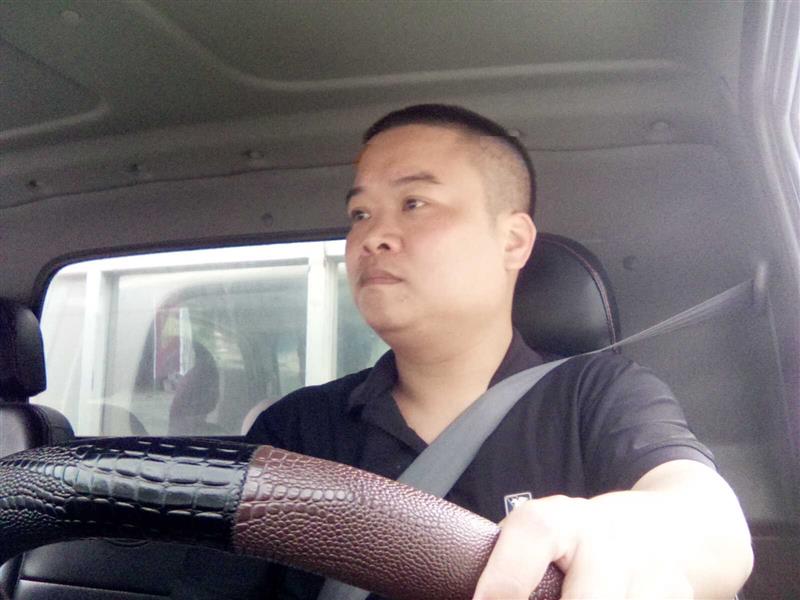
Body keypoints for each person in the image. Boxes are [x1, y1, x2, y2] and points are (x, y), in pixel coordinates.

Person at [246, 104, 753, 599]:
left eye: (414, 203)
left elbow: (706, 521)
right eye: (359, 213)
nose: (371, 236)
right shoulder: (295, 431)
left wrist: (627, 536)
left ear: (512, 241)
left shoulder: (598, 394)